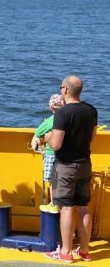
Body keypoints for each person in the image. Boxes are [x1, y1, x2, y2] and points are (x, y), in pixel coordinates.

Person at [43, 76, 98, 263]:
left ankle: (66, 252)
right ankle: (84, 251)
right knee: (83, 207)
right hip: (85, 164)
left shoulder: (62, 113)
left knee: (66, 208)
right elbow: (92, 139)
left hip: (65, 166)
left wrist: (48, 136)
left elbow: (57, 144)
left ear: (66, 90)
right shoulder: (91, 111)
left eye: (61, 88)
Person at [32, 94, 65, 213]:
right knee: (63, 180)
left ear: (51, 107)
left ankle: (53, 204)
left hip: (51, 153)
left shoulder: (51, 120)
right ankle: (63, 205)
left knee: (52, 180)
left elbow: (38, 132)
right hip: (66, 153)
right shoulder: (68, 119)